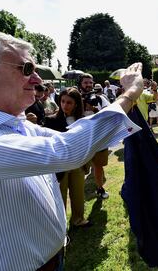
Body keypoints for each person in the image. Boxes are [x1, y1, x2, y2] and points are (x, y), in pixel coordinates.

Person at [0, 32, 143, 271]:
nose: (37, 80)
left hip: (55, 259)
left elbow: (71, 141)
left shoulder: (19, 126)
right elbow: (66, 150)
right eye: (26, 68)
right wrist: (129, 94)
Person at [44, 88, 91, 228]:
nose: (65, 105)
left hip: (77, 163)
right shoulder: (51, 120)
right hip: (59, 165)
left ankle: (78, 219)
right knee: (60, 196)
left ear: (76, 104)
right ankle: (61, 226)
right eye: (63, 101)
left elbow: (86, 142)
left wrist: (86, 162)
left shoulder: (83, 121)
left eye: (69, 102)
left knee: (78, 194)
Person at [78, 74, 111, 199]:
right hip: (81, 138)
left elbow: (109, 114)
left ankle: (100, 188)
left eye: (90, 82)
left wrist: (94, 109)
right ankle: (77, 191)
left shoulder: (100, 98)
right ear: (80, 84)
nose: (88, 85)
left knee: (98, 165)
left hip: (98, 137)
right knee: (79, 167)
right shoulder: (76, 98)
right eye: (86, 82)